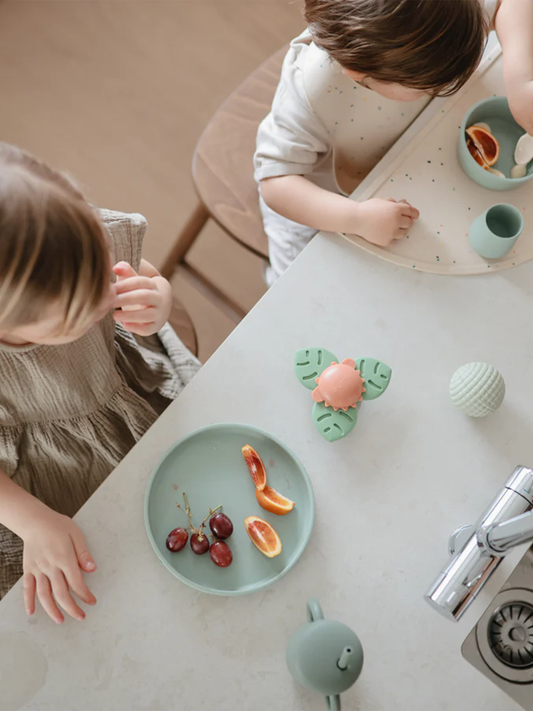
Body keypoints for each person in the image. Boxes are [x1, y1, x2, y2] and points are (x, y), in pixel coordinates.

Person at [0, 143, 200, 622]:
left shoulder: (81, 238)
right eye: (74, 317)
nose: (101, 308)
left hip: (120, 386)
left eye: (101, 288)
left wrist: (158, 298)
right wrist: (33, 521)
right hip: (40, 469)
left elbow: (146, 275)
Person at [254, 0, 502, 286]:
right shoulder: (311, 93)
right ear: (360, 76)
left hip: (400, 157)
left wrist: (520, 80)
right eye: (429, 87)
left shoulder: (444, 13)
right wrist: (355, 218)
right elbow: (275, 181)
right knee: (301, 287)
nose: (440, 89)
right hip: (322, 201)